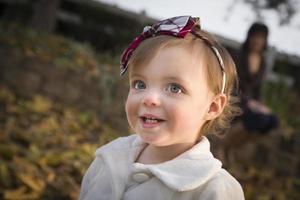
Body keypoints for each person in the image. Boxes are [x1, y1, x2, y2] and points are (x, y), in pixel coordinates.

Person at [79, 16, 244, 200]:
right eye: (140, 84)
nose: (149, 99)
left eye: (174, 88)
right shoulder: (110, 157)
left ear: (212, 107)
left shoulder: (214, 190)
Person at [234, 22, 279, 134]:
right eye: (255, 36)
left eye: (261, 37)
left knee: (273, 121)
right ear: (249, 37)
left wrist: (260, 105)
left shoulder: (263, 62)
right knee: (260, 120)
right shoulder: (238, 56)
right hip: (237, 101)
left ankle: (235, 146)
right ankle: (228, 142)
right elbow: (232, 85)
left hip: (252, 104)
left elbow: (258, 89)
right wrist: (248, 102)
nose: (257, 41)